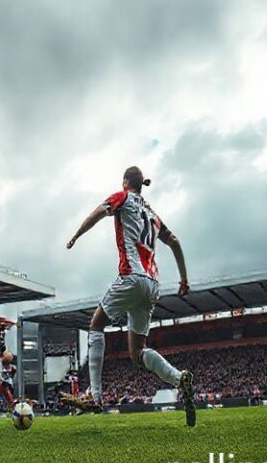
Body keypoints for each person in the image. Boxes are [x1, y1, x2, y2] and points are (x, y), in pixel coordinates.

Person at [64, 166, 196, 427]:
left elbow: (98, 213)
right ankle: (179, 378)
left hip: (132, 276)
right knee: (137, 352)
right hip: (152, 284)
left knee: (96, 325)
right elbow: (175, 241)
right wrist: (184, 279)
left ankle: (95, 396)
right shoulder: (153, 214)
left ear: (126, 182)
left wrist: (76, 235)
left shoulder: (122, 197)